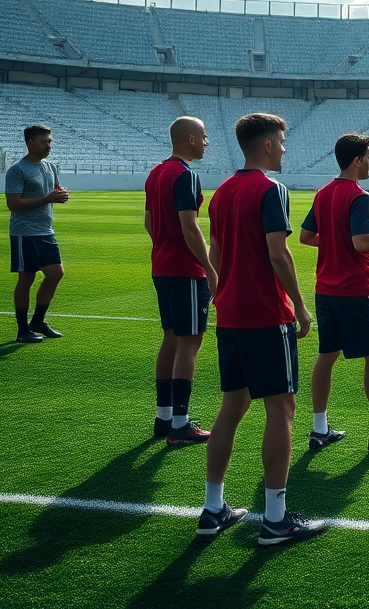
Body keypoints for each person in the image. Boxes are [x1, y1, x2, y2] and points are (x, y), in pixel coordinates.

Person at [197, 113, 326, 546]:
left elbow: (215, 249)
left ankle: (213, 508)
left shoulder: (221, 193)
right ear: (267, 145)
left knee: (231, 408)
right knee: (282, 410)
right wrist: (302, 308)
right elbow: (279, 253)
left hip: (230, 315)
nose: (286, 148)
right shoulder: (272, 189)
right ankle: (275, 519)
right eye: (283, 141)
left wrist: (224, 289)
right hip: (266, 316)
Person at [299, 134, 369, 454]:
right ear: (356, 161)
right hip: (355, 290)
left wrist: (337, 242)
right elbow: (361, 242)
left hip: (326, 290)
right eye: (368, 156)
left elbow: (307, 236)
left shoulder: (323, 193)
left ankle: (319, 429)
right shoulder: (359, 196)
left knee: (327, 356)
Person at [144, 117, 217, 446]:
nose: (206, 142)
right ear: (190, 139)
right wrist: (210, 269)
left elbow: (149, 222)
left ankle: (164, 419)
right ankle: (181, 423)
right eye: (203, 137)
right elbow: (190, 227)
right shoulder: (185, 175)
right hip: (185, 271)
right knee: (190, 343)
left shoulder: (156, 172)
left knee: (171, 338)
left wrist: (164, 245)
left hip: (161, 266)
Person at [6, 125, 69, 344]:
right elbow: (13, 204)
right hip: (25, 233)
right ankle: (23, 330)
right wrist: (47, 199)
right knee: (27, 278)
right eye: (45, 141)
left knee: (55, 274)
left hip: (45, 231)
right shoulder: (18, 170)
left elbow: (54, 190)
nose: (49, 145)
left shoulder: (50, 166)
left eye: (50, 141)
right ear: (31, 143)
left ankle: (38, 321)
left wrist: (60, 194)